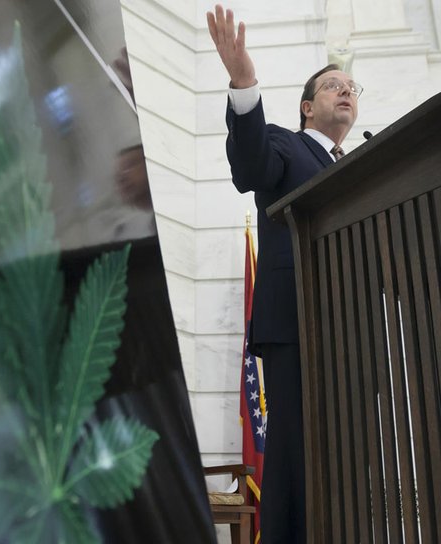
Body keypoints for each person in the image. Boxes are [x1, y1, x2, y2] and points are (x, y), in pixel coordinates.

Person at [207, 4, 361, 543]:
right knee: (297, 458)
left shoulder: (363, 165)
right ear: (307, 108)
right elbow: (249, 167)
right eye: (333, 86)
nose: (346, 92)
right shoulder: (286, 144)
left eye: (352, 88)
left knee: (346, 455)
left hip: (353, 333)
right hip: (297, 323)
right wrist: (243, 85)